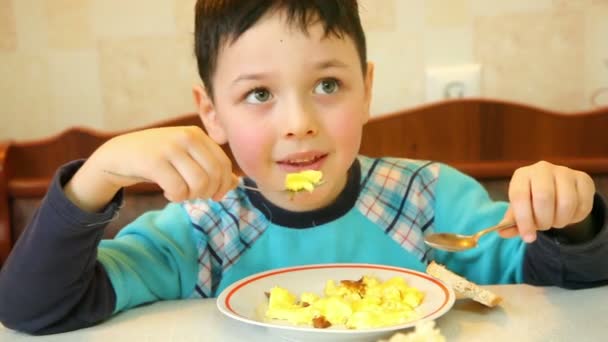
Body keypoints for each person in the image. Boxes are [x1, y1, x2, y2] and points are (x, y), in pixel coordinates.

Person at [1, 0, 607, 335]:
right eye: (259, 95)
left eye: (327, 83)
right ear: (211, 114)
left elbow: (572, 283)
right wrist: (94, 178)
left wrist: (571, 218)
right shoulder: (196, 231)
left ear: (366, 91)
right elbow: (31, 309)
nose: (298, 123)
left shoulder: (430, 201)